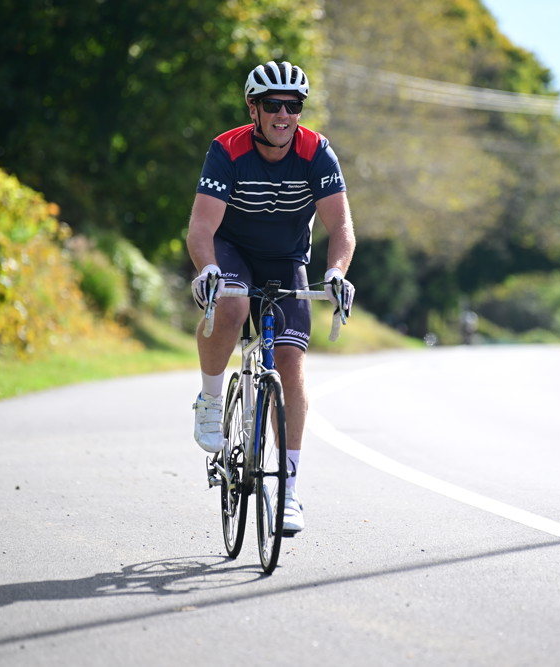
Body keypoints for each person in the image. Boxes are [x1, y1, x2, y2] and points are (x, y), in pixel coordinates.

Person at [186, 61, 356, 535]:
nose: (284, 114)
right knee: (233, 304)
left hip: (286, 259)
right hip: (232, 250)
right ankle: (210, 400)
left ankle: (289, 492)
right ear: (253, 109)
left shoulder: (317, 152)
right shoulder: (227, 149)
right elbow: (201, 227)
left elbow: (341, 226)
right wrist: (208, 269)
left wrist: (336, 272)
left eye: (293, 105)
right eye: (273, 105)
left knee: (290, 362)